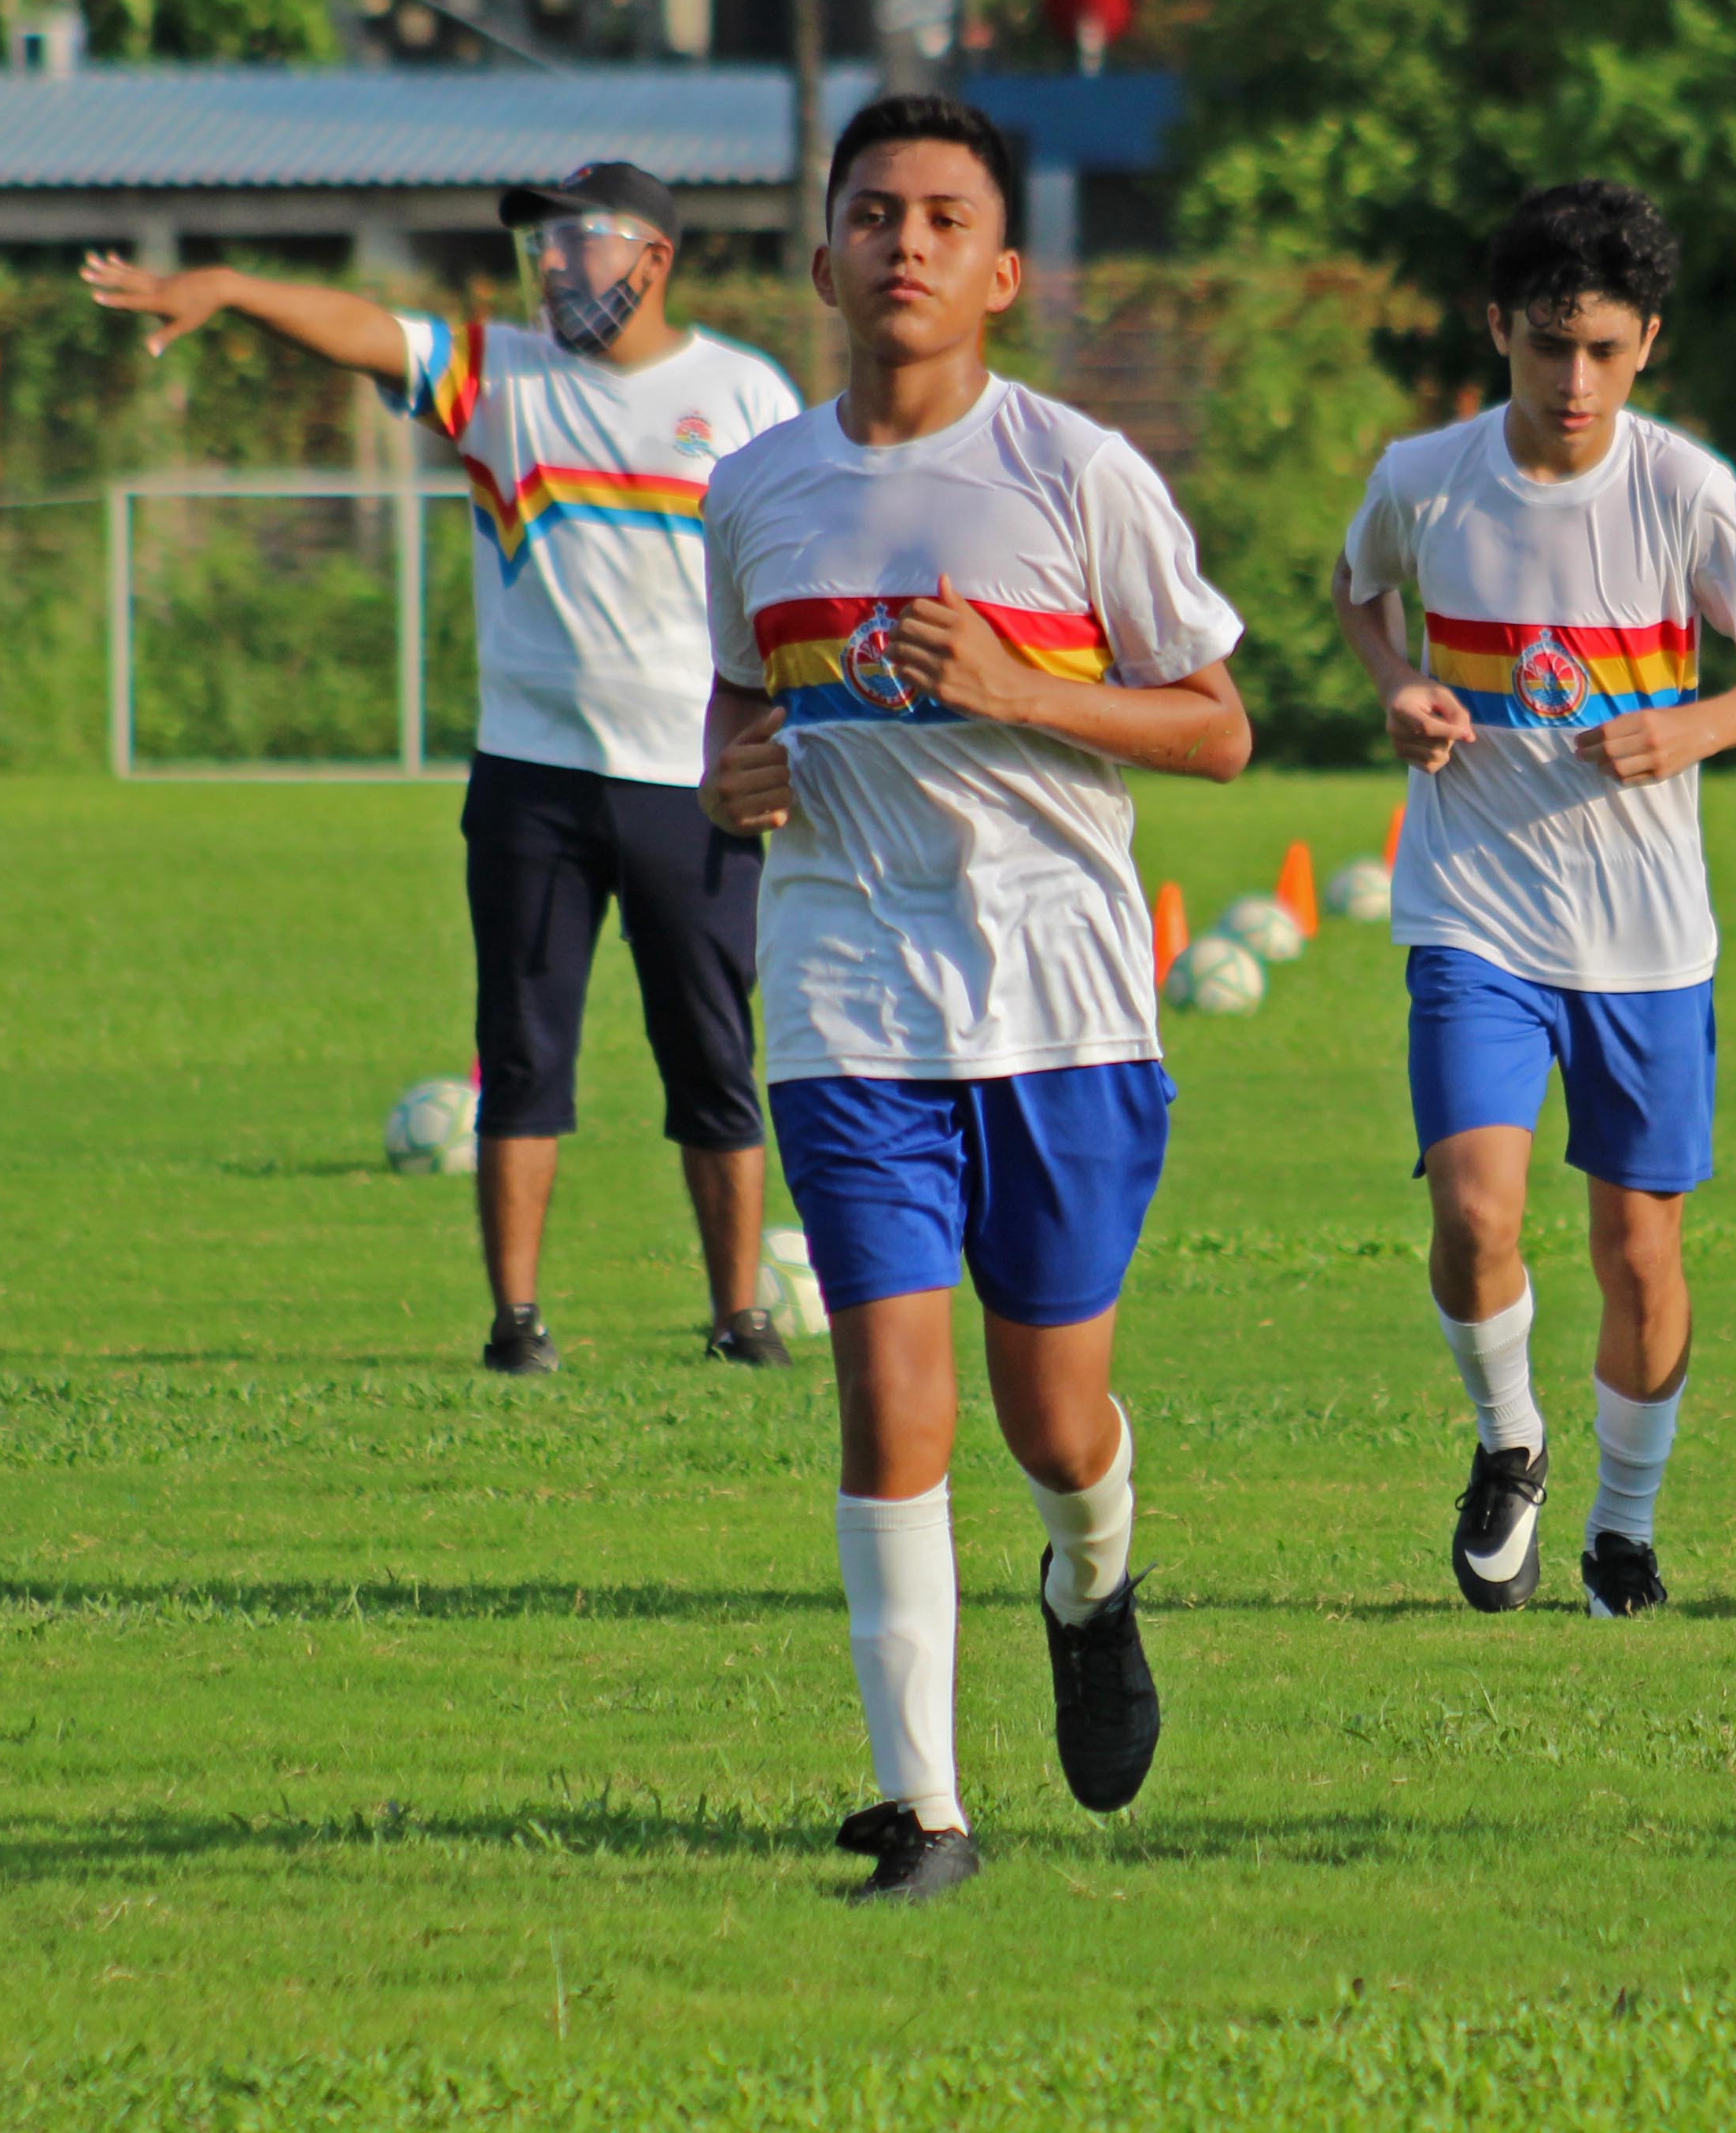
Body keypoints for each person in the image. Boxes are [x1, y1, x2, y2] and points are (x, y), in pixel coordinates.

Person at [698, 91, 1251, 1904]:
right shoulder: (755, 491)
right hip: (847, 992)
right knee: (890, 1392)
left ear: (1004, 273)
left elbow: (1222, 729)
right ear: (823, 259)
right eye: (876, 214)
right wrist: (727, 777)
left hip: (1063, 1003)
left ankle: (1092, 1581)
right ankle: (922, 1806)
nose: (907, 244)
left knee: (1053, 1419)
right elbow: (738, 701)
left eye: (946, 218)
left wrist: (1022, 690)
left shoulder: (1077, 474)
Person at [83, 164, 802, 1376]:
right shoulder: (499, 377)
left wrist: (786, 735)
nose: (552, 264)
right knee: (522, 1060)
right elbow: (364, 330)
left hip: (693, 784)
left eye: (577, 240)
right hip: (532, 780)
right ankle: (516, 1325)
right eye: (540, 245)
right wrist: (234, 287)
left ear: (654, 257)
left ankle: (739, 1318)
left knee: (714, 1060)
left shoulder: (744, 395)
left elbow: (798, 572)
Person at [1330, 180, 1736, 1621]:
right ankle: (1511, 1446)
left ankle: (1624, 1526)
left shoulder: (1687, 491)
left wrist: (1694, 728)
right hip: (1473, 911)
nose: (1575, 381)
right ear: (1498, 328)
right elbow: (1359, 587)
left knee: (1640, 1252)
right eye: (1550, 346)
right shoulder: (1426, 477)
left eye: (1606, 350)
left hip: (1648, 938)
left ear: (1647, 343)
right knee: (1475, 1210)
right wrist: (1398, 686)